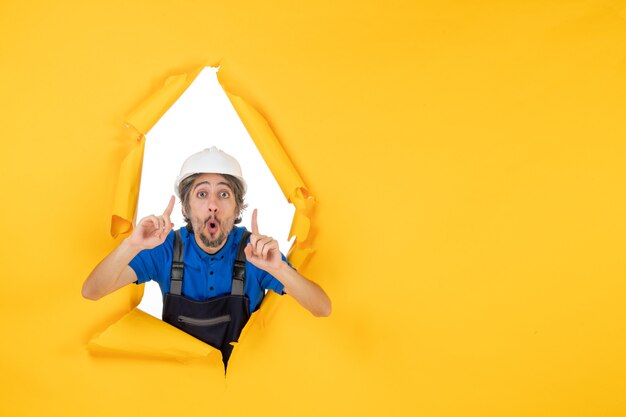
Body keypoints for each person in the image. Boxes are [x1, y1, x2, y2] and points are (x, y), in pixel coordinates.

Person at [82, 147, 331, 368]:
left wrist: (279, 269)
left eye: (224, 194)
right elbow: (92, 291)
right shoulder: (165, 248)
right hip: (182, 388)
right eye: (202, 194)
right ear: (185, 208)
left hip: (242, 390)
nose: (213, 204)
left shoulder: (255, 253)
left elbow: (322, 308)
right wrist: (132, 244)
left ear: (237, 208)